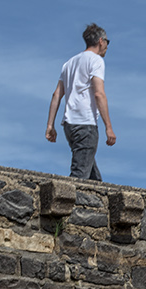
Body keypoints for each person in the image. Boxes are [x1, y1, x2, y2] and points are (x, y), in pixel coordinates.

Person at [46, 24, 115, 181]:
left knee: (93, 179)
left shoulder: (69, 63)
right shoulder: (96, 60)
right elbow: (99, 93)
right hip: (85, 124)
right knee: (79, 177)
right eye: (107, 42)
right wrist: (109, 127)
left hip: (69, 125)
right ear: (101, 41)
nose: (107, 46)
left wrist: (50, 125)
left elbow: (57, 94)